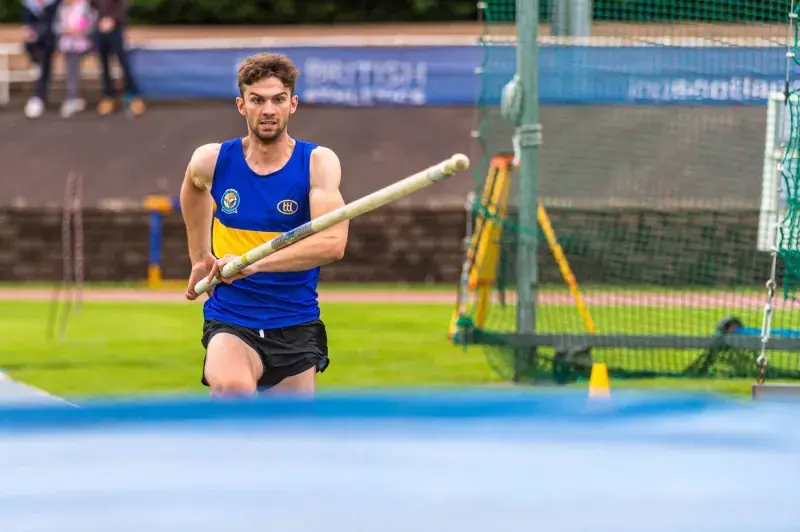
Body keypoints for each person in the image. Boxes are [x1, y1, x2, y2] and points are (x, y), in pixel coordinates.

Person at [180, 52, 348, 397]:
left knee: (286, 441)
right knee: (231, 391)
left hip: (295, 320)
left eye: (278, 100)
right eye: (257, 100)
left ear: (293, 104)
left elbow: (332, 243)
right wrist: (200, 256)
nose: (268, 110)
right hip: (232, 316)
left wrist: (253, 263)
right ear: (242, 105)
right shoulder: (213, 161)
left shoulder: (317, 164)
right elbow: (192, 187)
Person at [89, 0, 145, 117]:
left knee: (123, 62)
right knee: (103, 64)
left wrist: (112, 19)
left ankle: (134, 96)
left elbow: (124, 4)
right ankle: (108, 96)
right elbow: (91, 6)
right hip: (98, 29)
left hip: (116, 28)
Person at [54, 0, 96, 118]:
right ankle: (73, 97)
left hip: (81, 42)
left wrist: (80, 29)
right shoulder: (62, 7)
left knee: (72, 71)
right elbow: (56, 25)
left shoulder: (84, 5)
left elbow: (90, 21)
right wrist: (65, 29)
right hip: (67, 42)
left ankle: (72, 98)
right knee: (71, 71)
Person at [21, 0, 61, 119]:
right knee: (30, 45)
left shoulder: (54, 4)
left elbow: (53, 23)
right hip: (34, 42)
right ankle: (35, 62)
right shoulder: (28, 4)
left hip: (50, 39)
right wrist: (28, 31)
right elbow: (26, 23)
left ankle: (39, 97)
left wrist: (36, 34)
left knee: (45, 61)